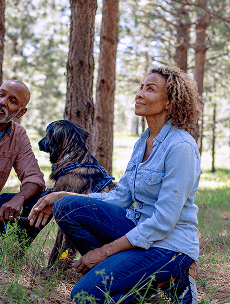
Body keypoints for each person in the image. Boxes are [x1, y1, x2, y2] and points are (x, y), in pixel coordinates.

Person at [29, 66, 201, 303]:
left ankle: (172, 275)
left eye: (150, 89)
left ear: (170, 102)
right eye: (141, 87)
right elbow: (121, 197)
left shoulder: (181, 147)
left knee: (84, 296)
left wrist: (103, 252)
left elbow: (163, 222)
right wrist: (62, 195)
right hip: (137, 229)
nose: (139, 94)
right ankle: (147, 282)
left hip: (170, 246)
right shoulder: (143, 142)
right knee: (66, 208)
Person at [0, 80, 45, 266]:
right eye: (1, 94)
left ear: (20, 112)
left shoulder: (18, 135)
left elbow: (34, 178)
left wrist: (19, 197)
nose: (2, 102)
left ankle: (2, 256)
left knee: (43, 201)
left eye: (12, 100)